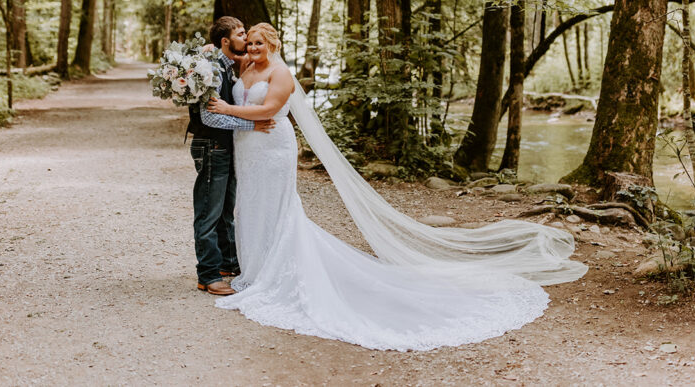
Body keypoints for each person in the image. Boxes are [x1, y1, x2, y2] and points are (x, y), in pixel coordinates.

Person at [202, 22, 586, 351]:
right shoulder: (245, 69)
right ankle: (253, 269)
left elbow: (269, 111)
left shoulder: (281, 73)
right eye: (248, 42)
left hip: (272, 149)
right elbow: (222, 63)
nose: (252, 47)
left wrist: (228, 110)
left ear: (274, 45)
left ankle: (274, 272)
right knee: (250, 207)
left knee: (275, 207)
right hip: (248, 149)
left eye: (259, 43)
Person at [187, 16, 273, 296]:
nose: (246, 38)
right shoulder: (209, 69)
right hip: (211, 145)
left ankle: (227, 264)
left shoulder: (229, 66)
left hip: (226, 147)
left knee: (226, 212)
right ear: (225, 41)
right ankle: (208, 275)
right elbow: (209, 118)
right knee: (209, 213)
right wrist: (253, 125)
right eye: (240, 34)